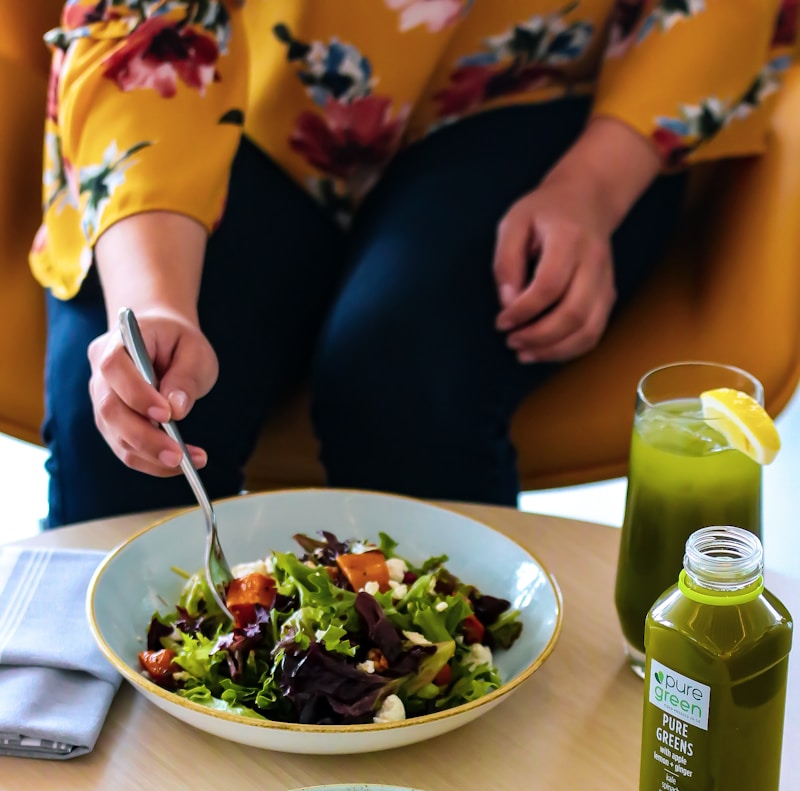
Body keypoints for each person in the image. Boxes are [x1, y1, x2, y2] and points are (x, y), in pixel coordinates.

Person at [31, 0, 792, 526]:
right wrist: (155, 303)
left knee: (406, 378)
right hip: (247, 90)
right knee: (123, 436)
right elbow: (142, 15)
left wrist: (594, 185)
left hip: (534, 91)